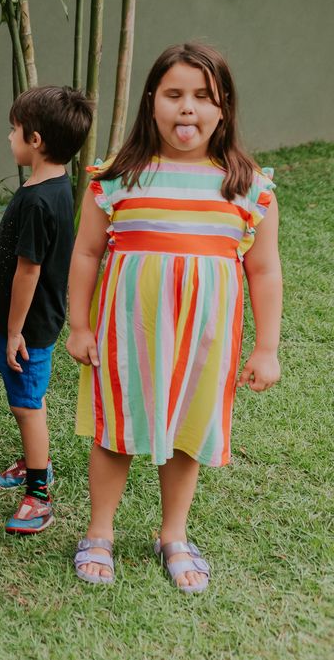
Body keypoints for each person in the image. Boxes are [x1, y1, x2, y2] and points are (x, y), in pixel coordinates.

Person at [67, 44, 281, 593]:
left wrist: (266, 348)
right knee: (115, 429)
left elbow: (264, 271)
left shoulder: (247, 185)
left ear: (224, 106)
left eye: (202, 97)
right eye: (174, 95)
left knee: (186, 430)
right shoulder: (117, 175)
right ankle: (99, 533)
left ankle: (175, 535)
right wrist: (80, 325)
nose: (188, 109)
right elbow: (87, 252)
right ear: (151, 102)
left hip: (204, 336)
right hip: (126, 330)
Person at [0, 86, 93, 535]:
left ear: (36, 140)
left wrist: (13, 330)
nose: (9, 136)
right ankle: (31, 463)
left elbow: (29, 270)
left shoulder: (38, 199)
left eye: (14, 130)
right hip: (31, 322)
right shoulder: (51, 184)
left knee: (27, 405)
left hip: (27, 326)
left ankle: (39, 494)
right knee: (27, 398)